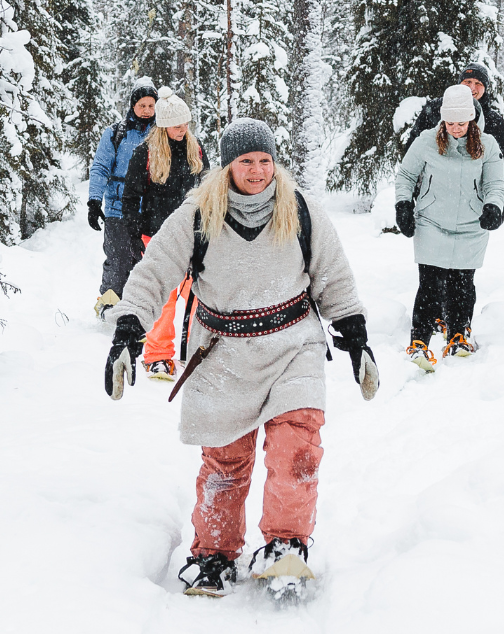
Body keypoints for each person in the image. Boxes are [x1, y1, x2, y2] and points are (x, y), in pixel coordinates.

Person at [104, 119, 377, 598]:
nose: (257, 171)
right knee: (225, 462)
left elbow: (334, 278)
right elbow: (154, 272)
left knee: (296, 451)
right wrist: (128, 332)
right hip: (221, 351)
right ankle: (214, 552)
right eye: (246, 161)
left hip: (293, 345)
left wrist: (356, 339)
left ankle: (286, 547)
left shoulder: (301, 210)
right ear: (227, 165)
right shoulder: (198, 213)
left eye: (265, 161)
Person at [395, 84, 504, 371]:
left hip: (471, 225)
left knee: (462, 284)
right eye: (450, 122)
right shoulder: (426, 141)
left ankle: (458, 336)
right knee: (429, 283)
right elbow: (406, 175)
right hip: (432, 221)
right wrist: (403, 205)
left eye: (461, 123)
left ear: (471, 119)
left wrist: (493, 207)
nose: (456, 129)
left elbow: (496, 184)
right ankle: (419, 341)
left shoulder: (488, 145)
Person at [120, 90, 207, 380]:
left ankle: (196, 351)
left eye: (186, 124)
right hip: (156, 237)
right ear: (164, 125)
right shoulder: (144, 153)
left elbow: (209, 190)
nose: (183, 129)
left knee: (198, 297)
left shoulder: (196, 149)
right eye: (177, 125)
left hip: (193, 236)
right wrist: (133, 236)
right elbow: (130, 198)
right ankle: (157, 356)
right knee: (165, 299)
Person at [87, 81, 156, 319]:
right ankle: (109, 308)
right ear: (132, 106)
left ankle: (139, 312)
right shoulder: (116, 133)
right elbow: (100, 167)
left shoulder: (162, 134)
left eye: (151, 105)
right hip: (117, 209)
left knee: (146, 264)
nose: (146, 110)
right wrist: (94, 201)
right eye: (142, 105)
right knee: (118, 260)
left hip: (150, 211)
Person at [408, 62, 504, 197]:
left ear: (485, 88)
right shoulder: (435, 109)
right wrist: (412, 193)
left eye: (478, 83)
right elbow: (413, 151)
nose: (472, 87)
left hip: (474, 202)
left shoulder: (493, 120)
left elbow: (500, 165)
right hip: (434, 198)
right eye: (468, 81)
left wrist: (498, 203)